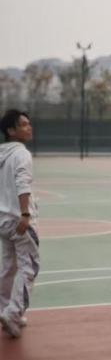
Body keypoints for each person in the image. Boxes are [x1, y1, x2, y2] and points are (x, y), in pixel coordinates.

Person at [0, 109, 39, 339]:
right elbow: (23, 183)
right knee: (29, 267)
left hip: (2, 219)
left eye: (29, 123)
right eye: (23, 124)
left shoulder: (2, 154)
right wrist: (25, 214)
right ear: (11, 131)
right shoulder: (21, 154)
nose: (29, 127)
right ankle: (13, 314)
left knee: (8, 267)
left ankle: (4, 309)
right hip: (18, 220)